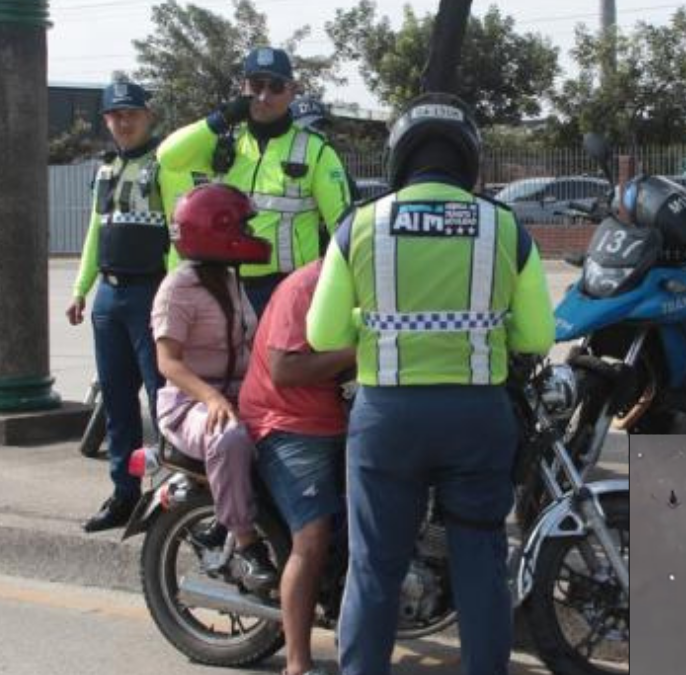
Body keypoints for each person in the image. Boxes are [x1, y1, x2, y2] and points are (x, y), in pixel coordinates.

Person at [306, 92, 555, 675]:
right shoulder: (505, 227)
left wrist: (372, 323)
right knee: (481, 563)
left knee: (374, 567)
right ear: (470, 159)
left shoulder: (360, 226)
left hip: (387, 419)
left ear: (398, 158)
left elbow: (321, 334)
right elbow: (536, 337)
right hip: (477, 417)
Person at [71, 81, 194, 533]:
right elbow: (94, 234)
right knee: (118, 402)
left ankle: (177, 495)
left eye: (132, 114)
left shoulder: (165, 166)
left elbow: (179, 235)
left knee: (163, 398)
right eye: (116, 115)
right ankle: (124, 492)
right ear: (107, 121)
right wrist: (82, 288)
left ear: (149, 116)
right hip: (109, 296)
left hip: (150, 292)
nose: (124, 122)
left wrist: (177, 293)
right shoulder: (104, 170)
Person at [157, 47, 353, 317]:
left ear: (292, 91)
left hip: (287, 290)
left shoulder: (316, 150)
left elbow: (343, 230)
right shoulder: (225, 141)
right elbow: (168, 156)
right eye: (256, 85)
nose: (264, 96)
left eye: (275, 86)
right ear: (243, 87)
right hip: (225, 287)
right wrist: (221, 118)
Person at [150, 183, 277, 593]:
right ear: (213, 228)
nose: (250, 233)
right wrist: (211, 397)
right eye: (241, 225)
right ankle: (245, 542)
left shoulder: (229, 279)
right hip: (189, 404)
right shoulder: (178, 287)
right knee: (229, 438)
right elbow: (167, 362)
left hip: (239, 394)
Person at [238, 258, 355, 675]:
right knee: (313, 532)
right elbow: (285, 369)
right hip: (287, 423)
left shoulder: (373, 281)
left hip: (341, 417)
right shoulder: (306, 287)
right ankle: (298, 664)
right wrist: (358, 350)